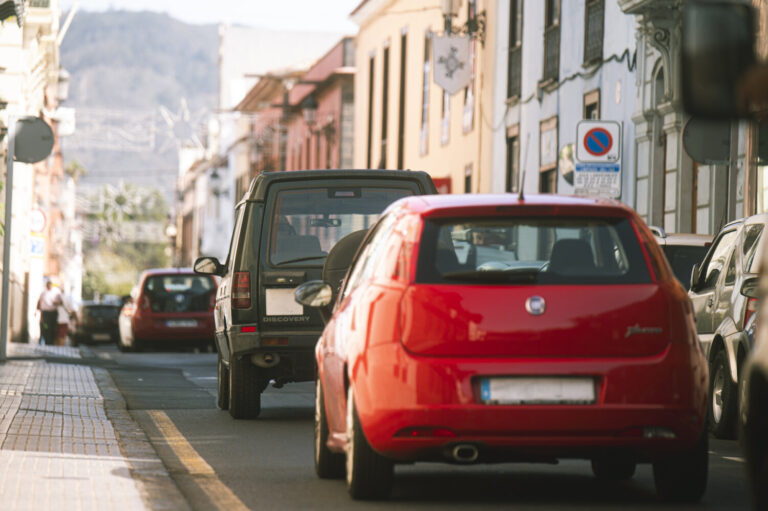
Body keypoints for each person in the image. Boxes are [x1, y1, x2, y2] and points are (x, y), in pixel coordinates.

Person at [36, 280, 62, 345]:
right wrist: (37, 311)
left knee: (53, 327)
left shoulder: (56, 293)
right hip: (45, 313)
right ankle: (46, 341)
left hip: (53, 313)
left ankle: (52, 341)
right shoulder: (43, 293)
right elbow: (40, 303)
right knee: (45, 327)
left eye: (50, 285)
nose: (49, 287)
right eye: (48, 285)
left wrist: (56, 303)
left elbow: (61, 302)